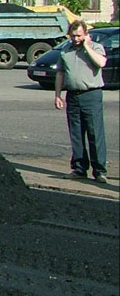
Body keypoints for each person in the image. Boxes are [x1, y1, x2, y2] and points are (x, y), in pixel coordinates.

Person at [54, 19, 109, 183]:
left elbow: (101, 63)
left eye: (79, 36)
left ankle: (99, 171)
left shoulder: (96, 48)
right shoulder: (65, 50)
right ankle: (79, 168)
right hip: (73, 96)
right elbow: (60, 74)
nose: (76, 39)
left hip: (91, 95)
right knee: (76, 134)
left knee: (95, 133)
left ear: (86, 35)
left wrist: (87, 47)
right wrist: (57, 95)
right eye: (73, 36)